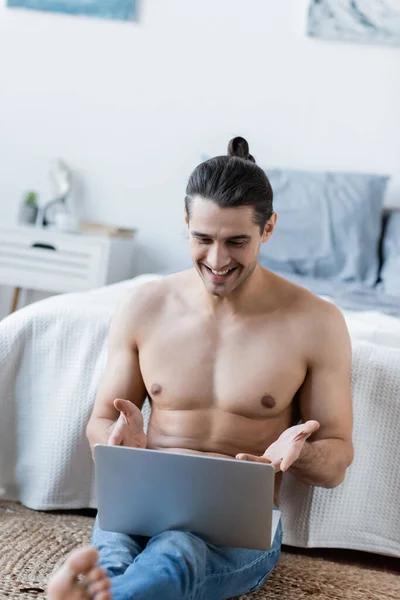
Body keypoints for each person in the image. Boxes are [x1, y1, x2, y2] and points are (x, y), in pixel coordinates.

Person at [47, 136, 354, 600]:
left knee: (177, 552)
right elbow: (102, 420)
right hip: (138, 506)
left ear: (268, 229)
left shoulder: (316, 322)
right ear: (186, 224)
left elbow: (335, 462)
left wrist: (299, 454)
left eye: (236, 242)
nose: (216, 261)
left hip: (237, 529)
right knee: (109, 564)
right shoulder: (144, 306)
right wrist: (115, 443)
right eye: (203, 239)